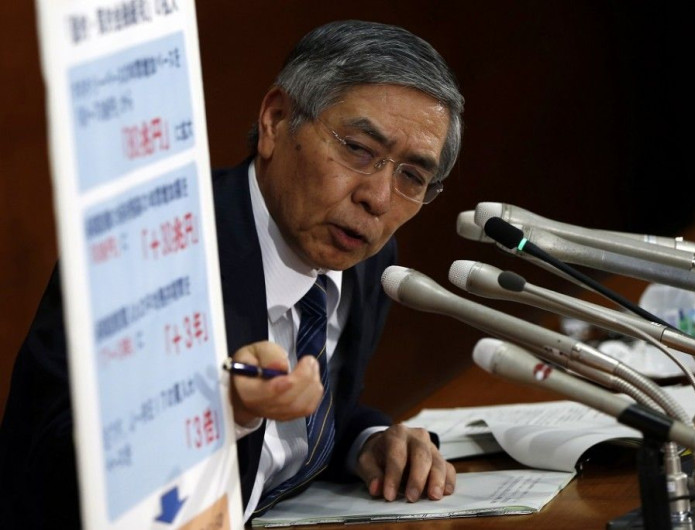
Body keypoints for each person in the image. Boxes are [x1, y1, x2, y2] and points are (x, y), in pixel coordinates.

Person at [0, 19, 465, 527]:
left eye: (412, 176)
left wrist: (367, 440)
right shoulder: (153, 255)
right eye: (357, 149)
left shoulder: (366, 258)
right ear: (276, 120)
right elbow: (45, 474)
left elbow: (298, 412)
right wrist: (224, 412)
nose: (377, 199)